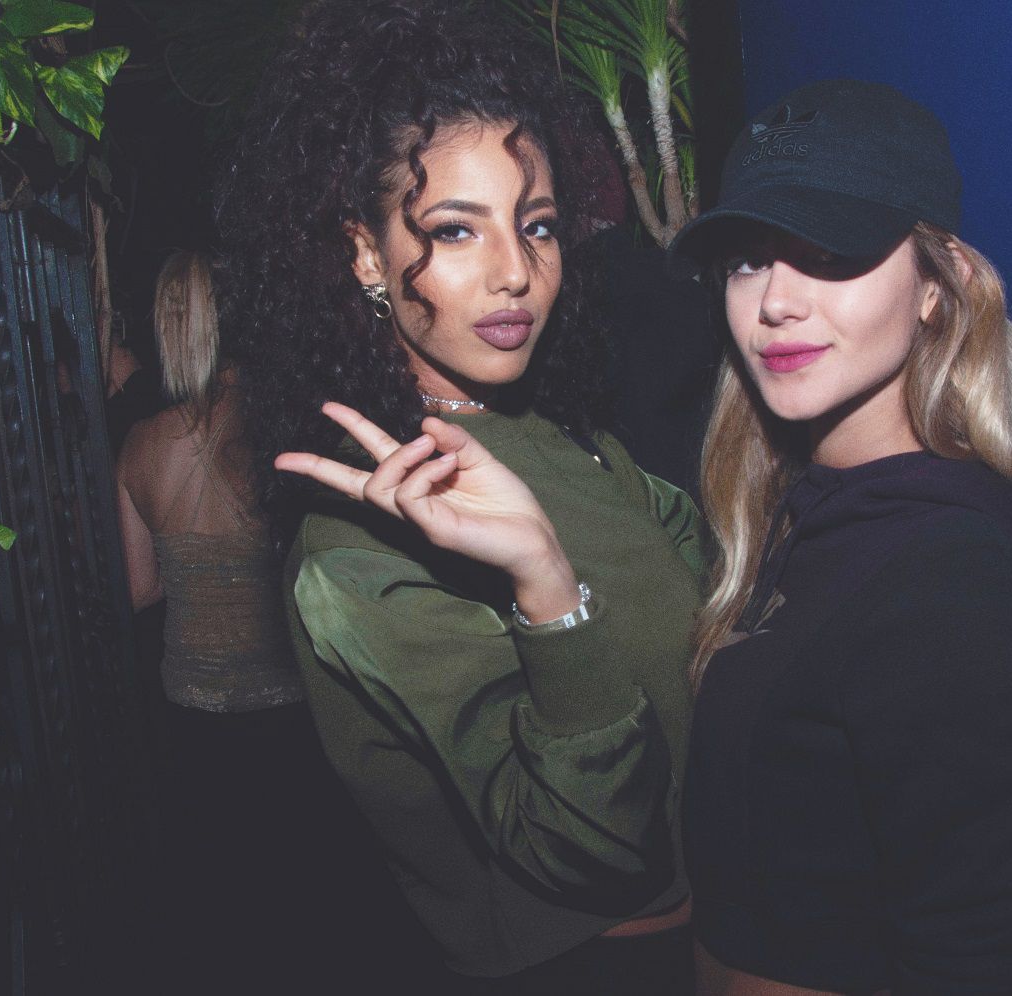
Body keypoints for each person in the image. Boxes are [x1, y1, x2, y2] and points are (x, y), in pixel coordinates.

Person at [214, 3, 704, 990]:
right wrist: (544, 585)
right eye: (454, 230)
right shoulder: (361, 546)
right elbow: (588, 847)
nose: (516, 272)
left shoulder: (563, 437)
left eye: (537, 226)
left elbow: (721, 599)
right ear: (366, 254)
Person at [669, 80, 1012, 995]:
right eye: (748, 260)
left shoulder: (948, 582)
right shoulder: (792, 499)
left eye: (829, 253)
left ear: (939, 286)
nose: (776, 302)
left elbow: (970, 959)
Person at [116, 251, 376, 991]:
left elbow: (139, 590)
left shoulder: (140, 445)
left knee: (224, 902)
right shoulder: (284, 429)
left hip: (193, 704)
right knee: (307, 901)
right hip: (293, 699)